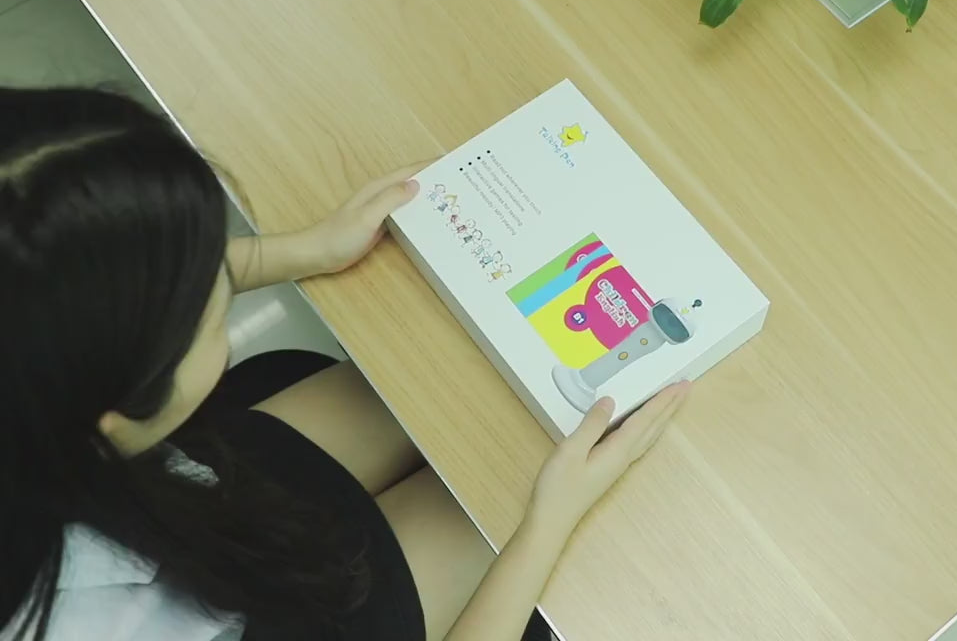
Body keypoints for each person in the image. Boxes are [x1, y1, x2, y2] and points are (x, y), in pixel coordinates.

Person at [0, 86, 692, 641]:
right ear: (112, 410)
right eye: (208, 318)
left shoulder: (37, 393)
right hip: (292, 624)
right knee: (515, 477)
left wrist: (307, 248)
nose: (224, 289)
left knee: (461, 388)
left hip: (188, 500)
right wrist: (547, 524)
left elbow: (101, 276)